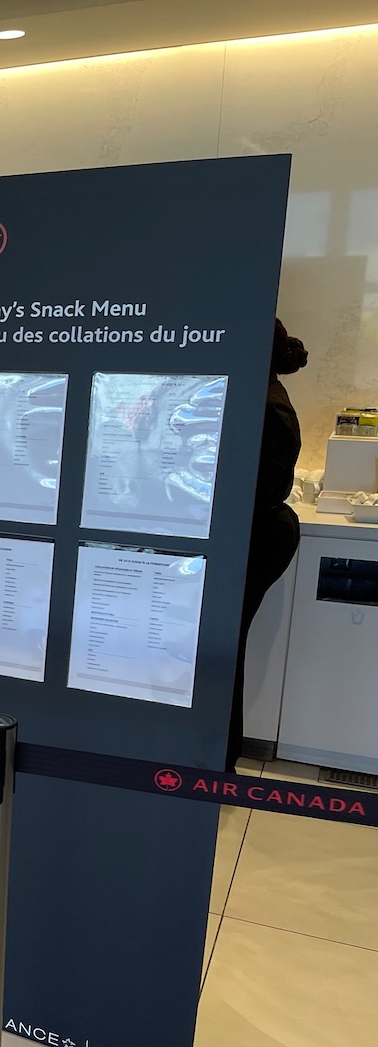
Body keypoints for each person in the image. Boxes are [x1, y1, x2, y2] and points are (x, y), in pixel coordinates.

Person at [227, 318, 306, 770]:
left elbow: (254, 487)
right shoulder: (261, 394)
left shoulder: (266, 405)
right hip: (257, 533)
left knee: (222, 648)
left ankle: (219, 763)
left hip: (258, 538)